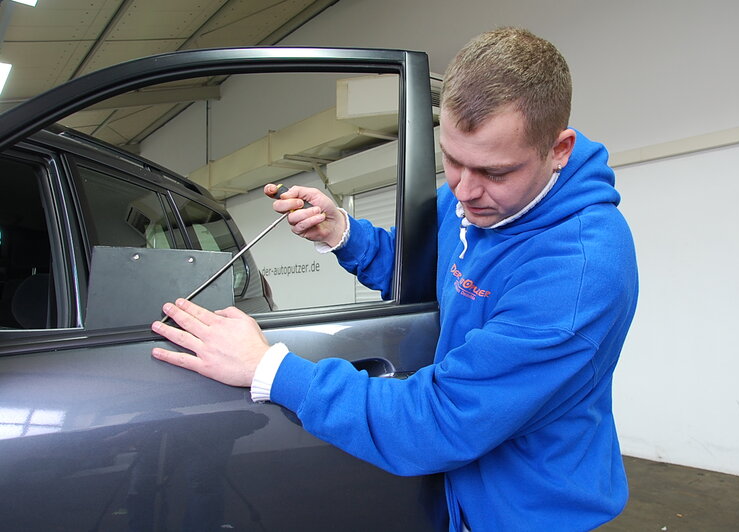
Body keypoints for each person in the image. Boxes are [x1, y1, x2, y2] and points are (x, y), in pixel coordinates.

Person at [151, 27, 638, 531]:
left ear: (558, 150)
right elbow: (421, 270)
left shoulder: (577, 273)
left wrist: (269, 369)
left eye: (495, 172)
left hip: (530, 513)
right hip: (460, 494)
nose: (465, 192)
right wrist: (342, 233)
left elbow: (441, 421)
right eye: (452, 159)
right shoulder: (479, 202)